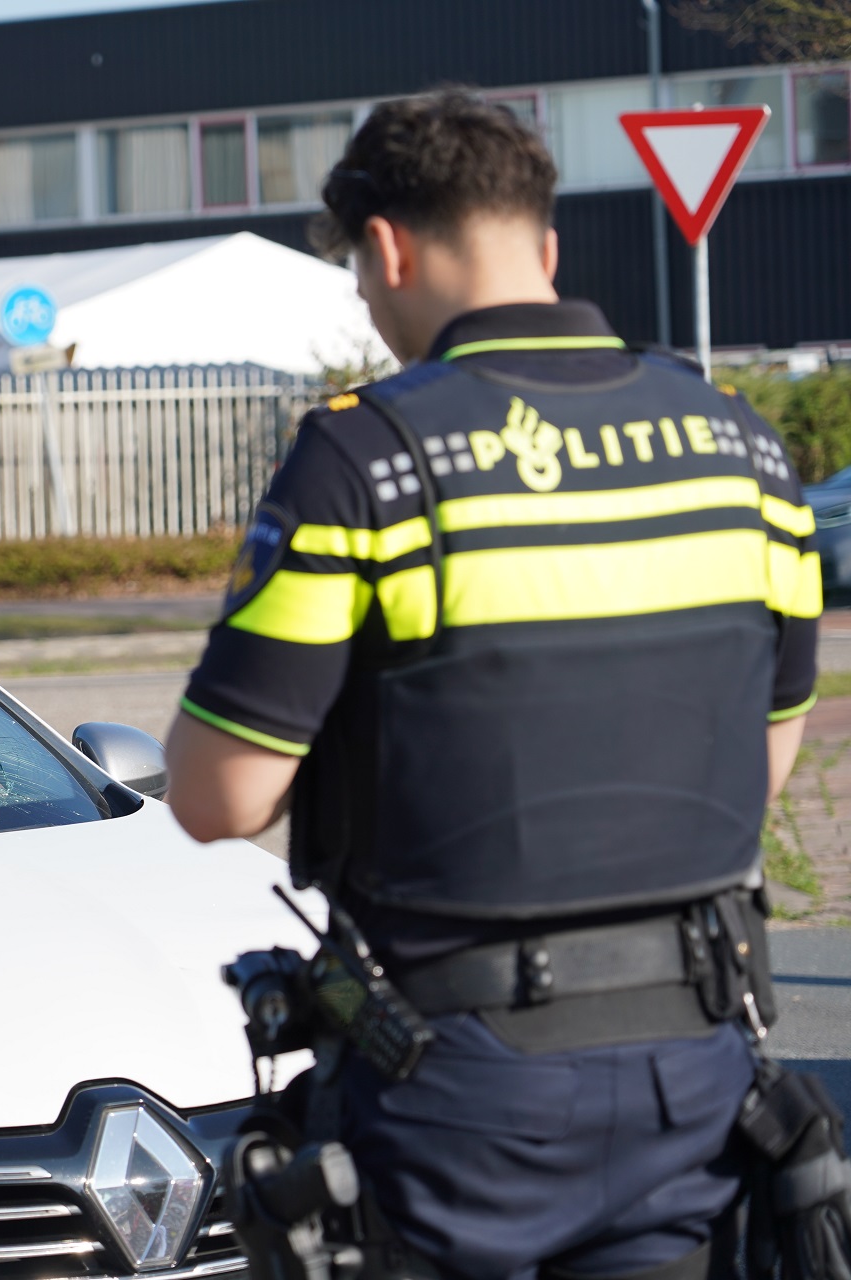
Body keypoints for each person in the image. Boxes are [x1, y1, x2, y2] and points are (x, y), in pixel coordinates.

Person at [166, 90, 820, 1279]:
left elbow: (220, 795)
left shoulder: (367, 458)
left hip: (459, 1091)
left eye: (361, 279)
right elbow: (760, 767)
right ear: (546, 246)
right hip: (696, 1073)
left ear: (388, 248)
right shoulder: (747, 449)